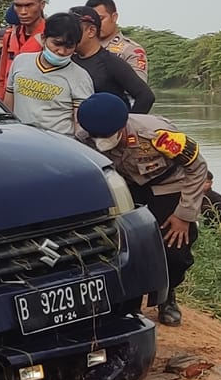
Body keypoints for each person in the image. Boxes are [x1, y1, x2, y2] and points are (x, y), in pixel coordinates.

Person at [74, 93, 209, 327]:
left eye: (108, 135)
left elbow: (198, 168)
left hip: (167, 186)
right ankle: (128, 303)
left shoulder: (158, 135)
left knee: (175, 251)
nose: (102, 140)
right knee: (124, 248)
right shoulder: (84, 138)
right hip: (126, 187)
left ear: (122, 126)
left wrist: (184, 215)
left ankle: (167, 297)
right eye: (98, 137)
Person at [1, 11, 94, 134]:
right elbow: (8, 105)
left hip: (59, 146)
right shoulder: (21, 61)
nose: (61, 51)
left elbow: (81, 125)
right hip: (20, 140)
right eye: (57, 44)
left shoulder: (80, 77)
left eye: (69, 47)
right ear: (44, 38)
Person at [72, 7, 155, 113]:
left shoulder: (110, 62)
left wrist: (127, 124)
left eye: (73, 31)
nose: (68, 36)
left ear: (91, 31)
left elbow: (146, 97)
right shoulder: (69, 61)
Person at [0, 0, 47, 82]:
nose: (23, 12)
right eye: (18, 6)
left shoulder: (51, 36)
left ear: (42, 5)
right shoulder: (10, 36)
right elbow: (2, 78)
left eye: (29, 5)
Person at [86, 0, 147, 76]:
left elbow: (139, 86)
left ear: (114, 17)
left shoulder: (131, 50)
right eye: (92, 21)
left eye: (101, 19)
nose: (96, 24)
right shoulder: (81, 48)